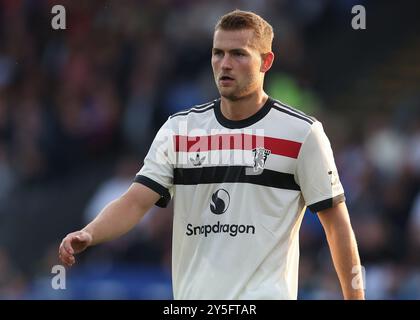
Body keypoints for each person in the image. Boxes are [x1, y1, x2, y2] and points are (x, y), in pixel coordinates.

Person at [59, 10, 365, 300]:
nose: (225, 63)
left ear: (266, 61)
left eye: (239, 54)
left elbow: (337, 224)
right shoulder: (179, 130)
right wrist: (90, 233)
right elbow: (136, 201)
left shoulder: (302, 133)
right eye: (218, 53)